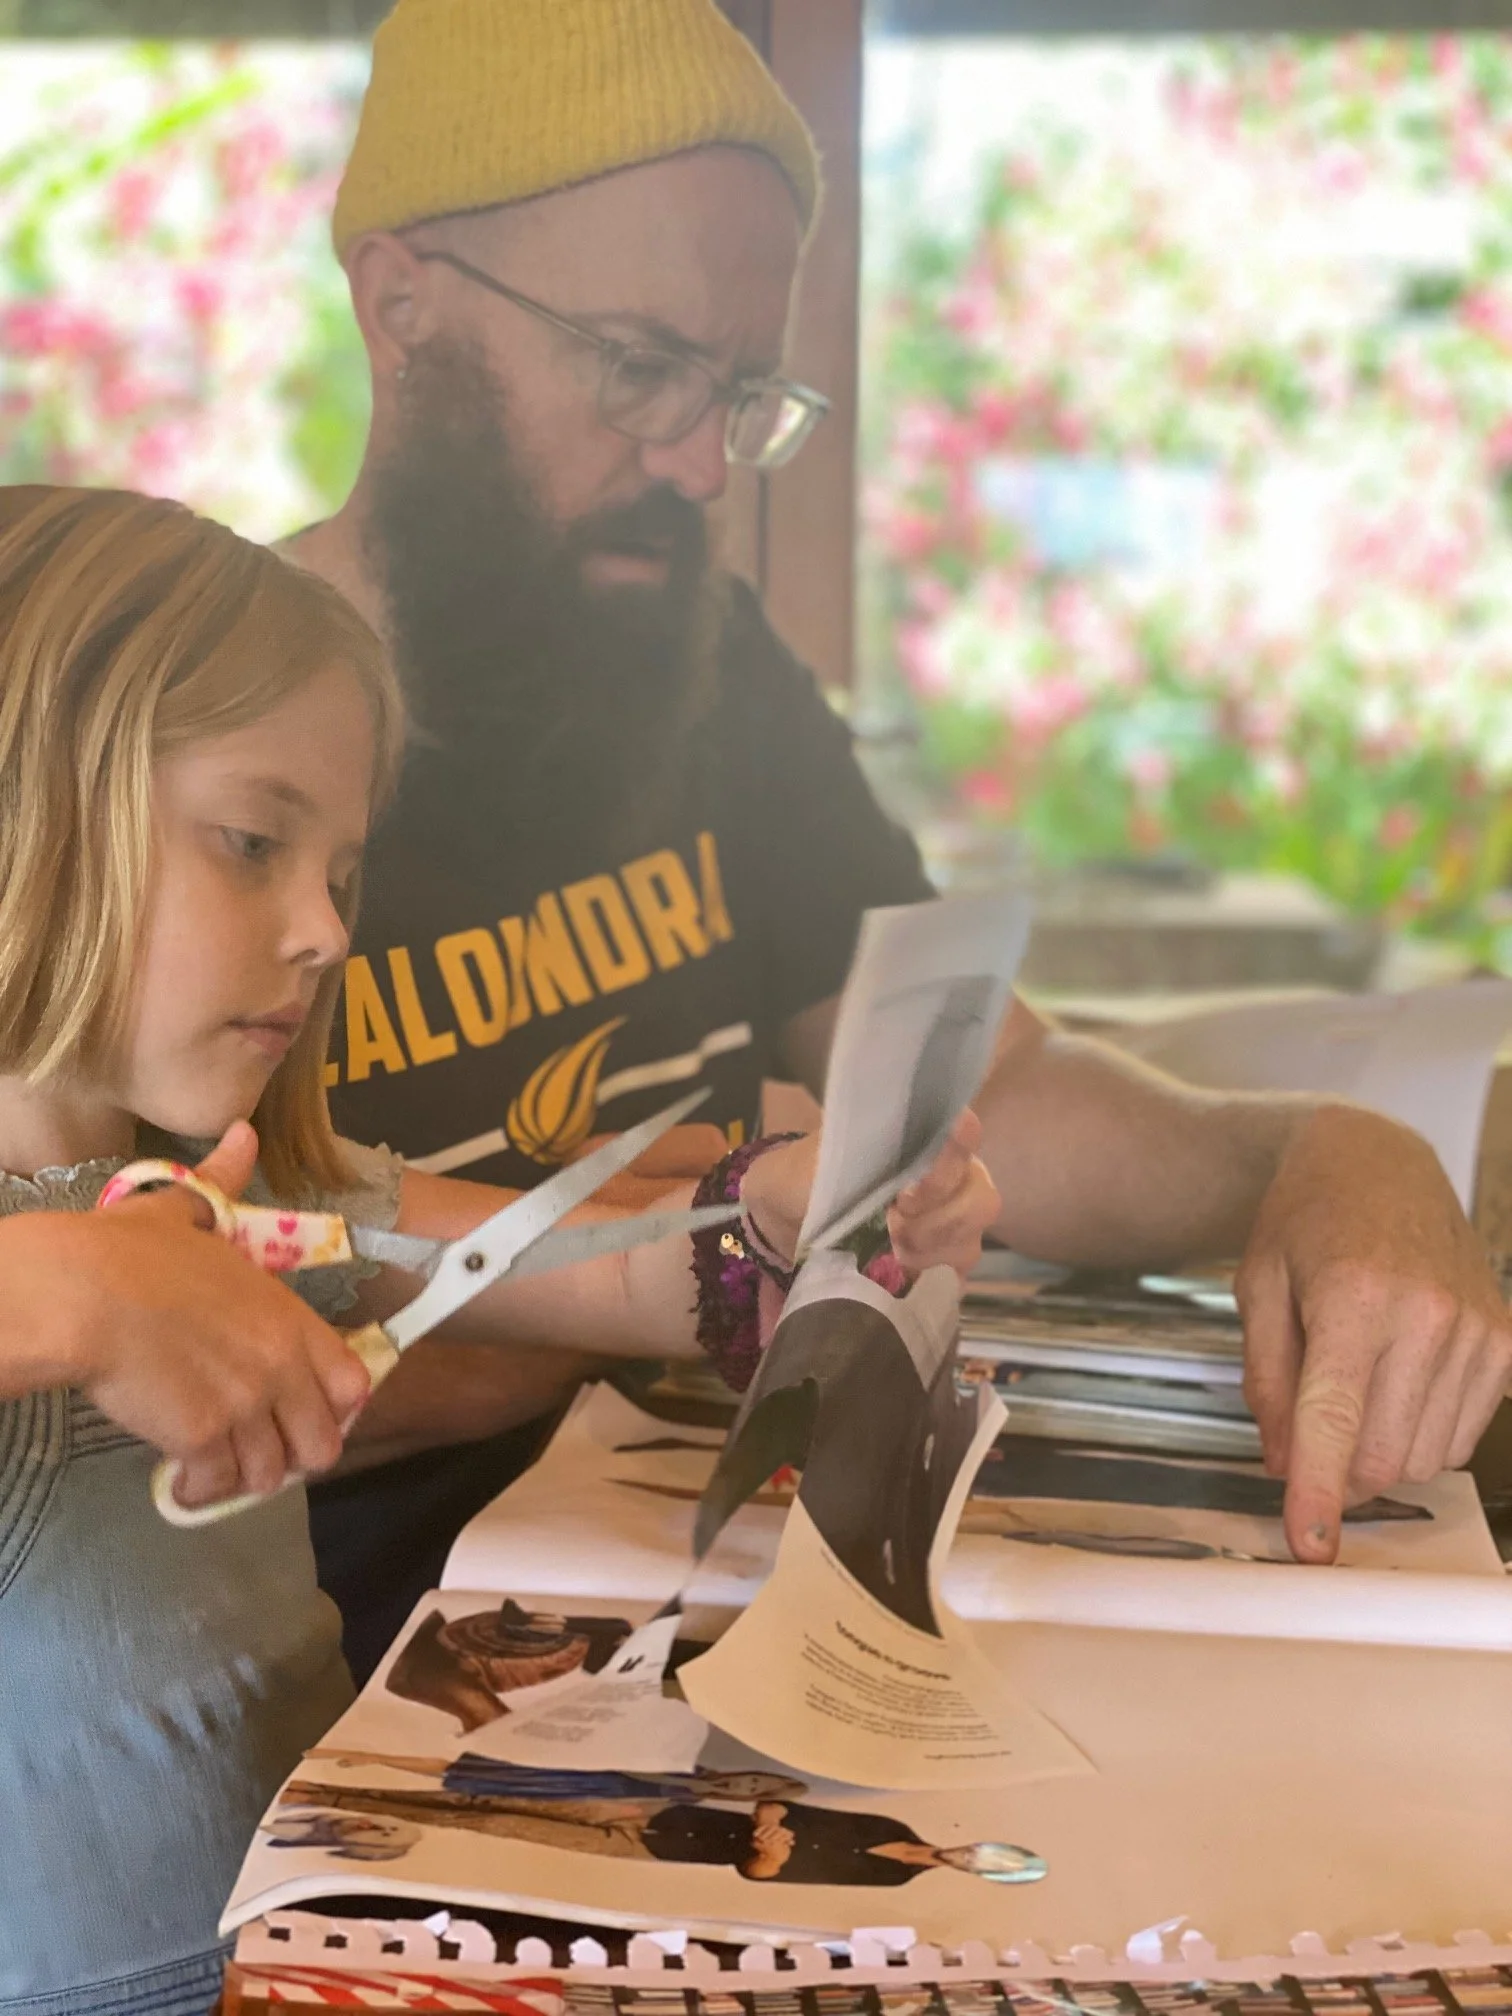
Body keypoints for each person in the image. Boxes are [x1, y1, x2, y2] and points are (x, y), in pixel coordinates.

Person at [261, 0, 1512, 1651]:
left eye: (738, 394)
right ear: (399, 302)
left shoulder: (703, 676)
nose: (700, 468)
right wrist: (665, 1290)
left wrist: (1321, 1154)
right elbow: (152, 1325)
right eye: (637, 368)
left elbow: (986, 1097)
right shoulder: (197, 742)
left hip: (715, 1581)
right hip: (325, 1656)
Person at [0, 484, 996, 2015]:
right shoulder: (71, 1271)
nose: (328, 931)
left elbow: (594, 1267)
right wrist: (74, 1290)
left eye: (341, 874)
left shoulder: (238, 1191)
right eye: (253, 842)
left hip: (332, 1961)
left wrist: (798, 1210)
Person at [277, 1779, 1042, 1887]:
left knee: (498, 1826)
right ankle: (341, 1785)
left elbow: (764, 1879)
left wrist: (766, 1860)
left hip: (658, 1851)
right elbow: (779, 1804)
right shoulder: (890, 1823)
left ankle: (340, 1802)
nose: (969, 1855)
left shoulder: (891, 1876)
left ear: (977, 1875)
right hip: (662, 1814)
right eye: (985, 1848)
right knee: (487, 1793)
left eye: (982, 1865)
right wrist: (771, 1824)